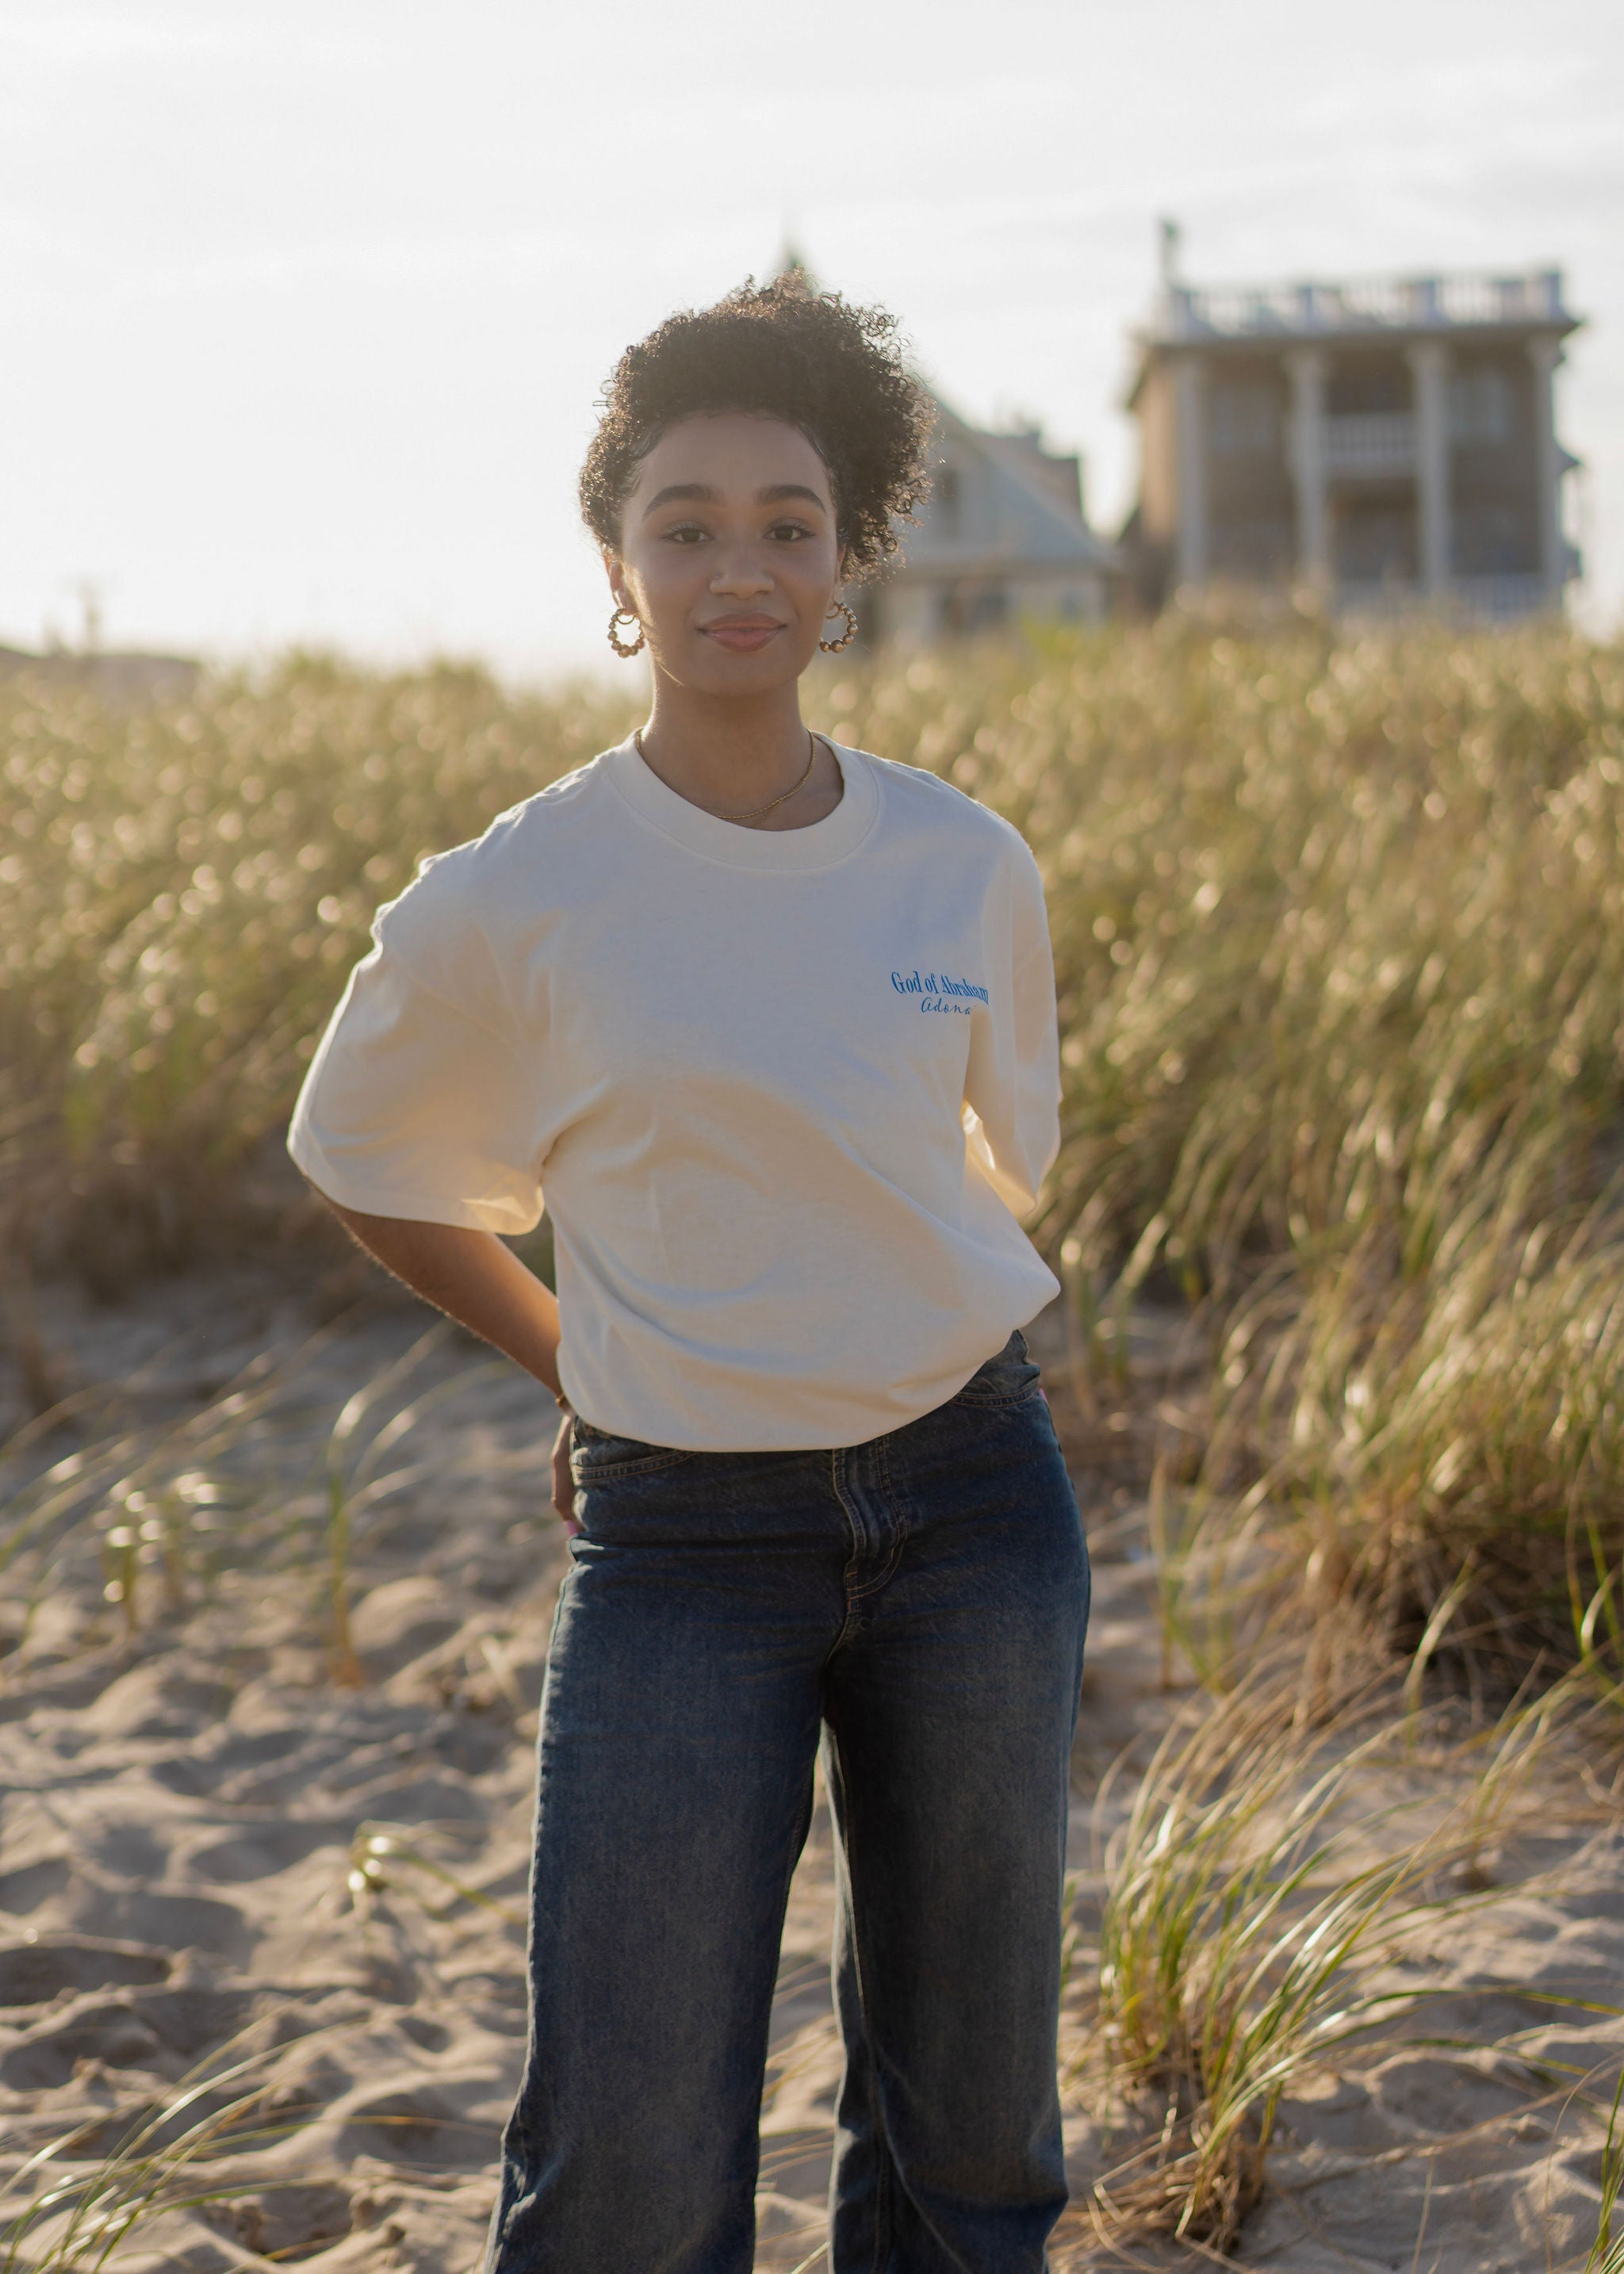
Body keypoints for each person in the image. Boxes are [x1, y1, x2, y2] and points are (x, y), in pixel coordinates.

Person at [287, 272, 1090, 2274]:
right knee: (630, 2170)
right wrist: (576, 1361)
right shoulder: (519, 890)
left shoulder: (961, 865)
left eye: (789, 526)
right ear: (620, 566)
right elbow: (360, 1156)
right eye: (689, 524)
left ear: (849, 565)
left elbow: (985, 1174)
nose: (743, 567)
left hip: (976, 1506)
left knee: (972, 2133)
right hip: (679, 1543)